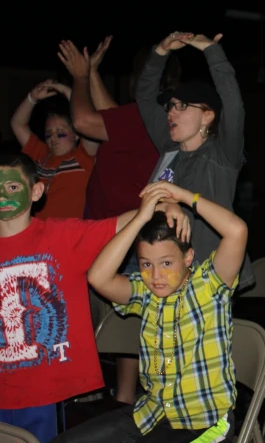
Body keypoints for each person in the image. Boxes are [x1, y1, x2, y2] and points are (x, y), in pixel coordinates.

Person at [0, 152, 188, 442]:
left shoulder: (62, 236)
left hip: (43, 388)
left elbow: (120, 223)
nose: (3, 194)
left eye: (12, 186)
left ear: (36, 191)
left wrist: (164, 204)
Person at [51, 180, 247, 442]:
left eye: (166, 263)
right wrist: (142, 217)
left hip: (203, 422)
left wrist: (183, 196)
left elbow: (237, 230)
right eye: (146, 264)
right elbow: (98, 277)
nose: (156, 275)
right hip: (153, 413)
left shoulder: (209, 286)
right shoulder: (146, 292)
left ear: (188, 258)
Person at [64, 36, 166, 404]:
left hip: (123, 232)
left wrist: (78, 77)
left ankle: (114, 395)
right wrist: (92, 72)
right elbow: (109, 115)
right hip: (120, 229)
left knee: (120, 320)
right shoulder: (146, 118)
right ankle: (123, 396)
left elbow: (84, 120)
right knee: (125, 319)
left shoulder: (149, 116)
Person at [135, 31, 254, 292]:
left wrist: (212, 52)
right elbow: (144, 97)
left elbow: (233, 105)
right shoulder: (170, 148)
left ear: (207, 116)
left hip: (206, 276)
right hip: (160, 272)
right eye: (171, 106)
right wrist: (161, 51)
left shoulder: (222, 155)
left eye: (183, 106)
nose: (172, 112)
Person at [10, 67, 99, 218]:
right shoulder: (40, 153)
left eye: (60, 133)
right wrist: (32, 98)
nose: (53, 139)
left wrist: (67, 92)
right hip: (37, 233)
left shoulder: (84, 157)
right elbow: (17, 124)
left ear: (76, 134)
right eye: (48, 134)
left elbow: (87, 120)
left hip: (69, 236)